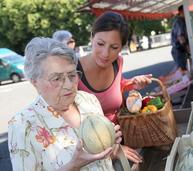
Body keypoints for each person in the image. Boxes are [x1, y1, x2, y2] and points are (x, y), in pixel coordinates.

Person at [8, 37, 123, 171]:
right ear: (35, 82)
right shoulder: (22, 125)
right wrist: (73, 166)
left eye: (72, 75)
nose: (69, 85)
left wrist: (111, 146)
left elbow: (105, 159)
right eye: (57, 78)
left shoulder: (89, 100)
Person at [77, 11, 152, 164]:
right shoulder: (73, 72)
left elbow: (116, 89)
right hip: (92, 153)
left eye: (114, 47)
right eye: (100, 44)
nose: (105, 53)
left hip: (123, 138)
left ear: (122, 48)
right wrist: (114, 149)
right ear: (92, 37)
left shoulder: (118, 63)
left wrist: (131, 84)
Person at [171, 5, 189, 74]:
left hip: (180, 50)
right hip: (178, 50)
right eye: (186, 11)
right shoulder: (179, 21)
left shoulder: (182, 21)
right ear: (181, 11)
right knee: (182, 71)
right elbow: (180, 37)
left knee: (183, 70)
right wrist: (187, 48)